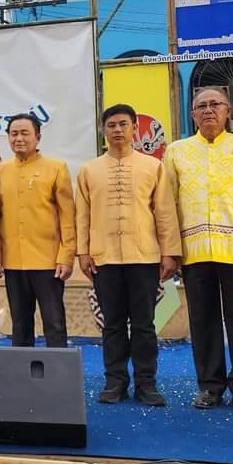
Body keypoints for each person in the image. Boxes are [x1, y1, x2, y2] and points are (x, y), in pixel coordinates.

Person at [163, 88, 233, 412]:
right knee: (203, 320)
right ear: (192, 114)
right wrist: (170, 251)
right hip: (195, 251)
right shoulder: (177, 152)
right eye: (201, 106)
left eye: (215, 105)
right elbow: (167, 206)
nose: (208, 110)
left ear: (228, 111)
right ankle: (210, 386)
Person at [76, 104, 181, 406]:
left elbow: (164, 212)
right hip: (104, 258)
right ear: (104, 130)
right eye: (111, 125)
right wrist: (83, 252)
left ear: (135, 127)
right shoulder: (89, 170)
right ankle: (115, 381)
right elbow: (82, 215)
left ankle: (146, 383)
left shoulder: (152, 167)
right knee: (112, 323)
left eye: (123, 124)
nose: (117, 130)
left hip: (144, 256)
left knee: (145, 324)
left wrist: (170, 252)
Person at [0, 113, 76, 348]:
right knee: (20, 324)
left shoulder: (56, 168)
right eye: (13, 134)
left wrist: (66, 256)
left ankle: (57, 379)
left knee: (54, 323)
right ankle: (22, 378)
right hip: (13, 261)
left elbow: (68, 217)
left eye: (24, 133)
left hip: (48, 261)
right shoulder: (0, 171)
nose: (18, 138)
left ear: (38, 137)